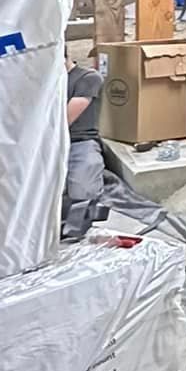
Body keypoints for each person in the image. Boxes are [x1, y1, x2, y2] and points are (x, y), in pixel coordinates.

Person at [62, 52, 107, 241]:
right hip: (45, 144)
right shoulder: (40, 81)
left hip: (80, 143)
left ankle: (77, 231)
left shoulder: (87, 78)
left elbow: (64, 120)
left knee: (82, 188)